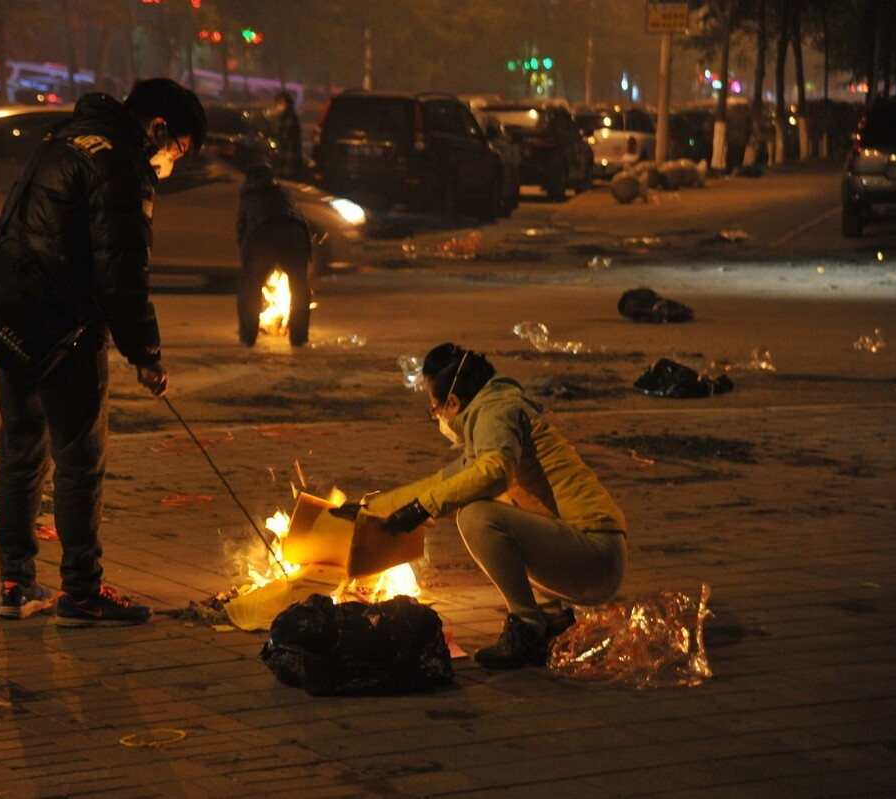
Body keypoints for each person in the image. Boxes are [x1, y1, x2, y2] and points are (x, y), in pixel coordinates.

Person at [0, 79, 206, 627]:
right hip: (66, 328)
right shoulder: (116, 164)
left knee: (22, 452)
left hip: (14, 319)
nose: (169, 162)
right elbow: (121, 270)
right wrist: (146, 353)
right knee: (79, 462)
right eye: (175, 149)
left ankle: (16, 584)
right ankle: (82, 593)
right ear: (158, 127)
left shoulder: (62, 141)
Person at [348, 344, 628, 669]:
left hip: (596, 556)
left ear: (453, 402)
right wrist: (374, 508)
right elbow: (443, 481)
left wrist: (422, 509)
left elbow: (494, 471)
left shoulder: (496, 413)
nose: (436, 416)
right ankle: (551, 619)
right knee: (485, 503)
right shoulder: (490, 414)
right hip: (592, 554)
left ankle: (527, 628)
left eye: (434, 408)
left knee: (476, 515)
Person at [235, 162, 312, 347]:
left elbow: (241, 229)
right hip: (296, 235)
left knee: (250, 288)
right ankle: (299, 337)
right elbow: (299, 217)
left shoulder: (248, 196)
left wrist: (246, 258)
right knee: (300, 288)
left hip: (263, 235)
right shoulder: (284, 191)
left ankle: (248, 336)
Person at [271, 90, 303, 180]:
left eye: (281, 102)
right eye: (277, 102)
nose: (279, 105)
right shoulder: (283, 117)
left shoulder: (289, 117)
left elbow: (284, 137)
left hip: (289, 157)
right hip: (285, 157)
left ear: (287, 103)